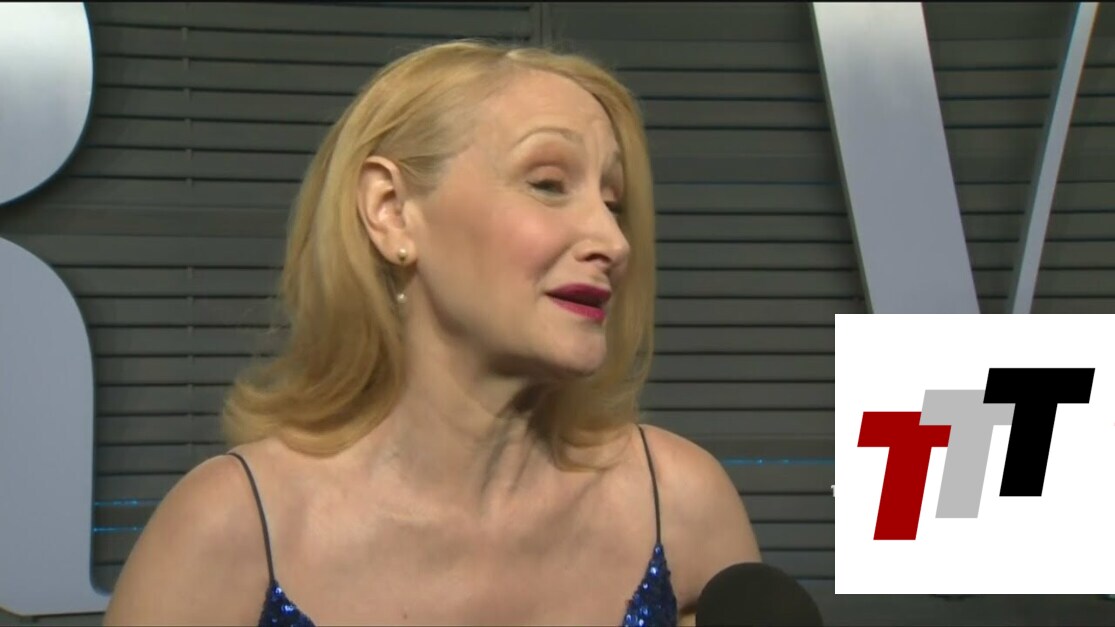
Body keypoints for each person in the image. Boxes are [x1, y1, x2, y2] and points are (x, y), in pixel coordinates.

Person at [103, 39, 760, 626]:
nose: (613, 241)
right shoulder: (229, 531)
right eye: (548, 184)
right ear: (391, 212)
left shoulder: (681, 506)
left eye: (612, 202)